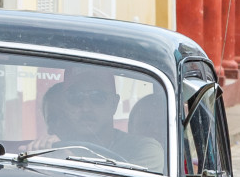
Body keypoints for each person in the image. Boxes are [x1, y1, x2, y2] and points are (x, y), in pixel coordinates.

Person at [29, 66, 163, 171]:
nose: (85, 107)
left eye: (98, 97)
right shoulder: (50, 151)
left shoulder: (145, 149)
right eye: (75, 97)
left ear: (114, 103)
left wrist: (64, 163)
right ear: (65, 104)